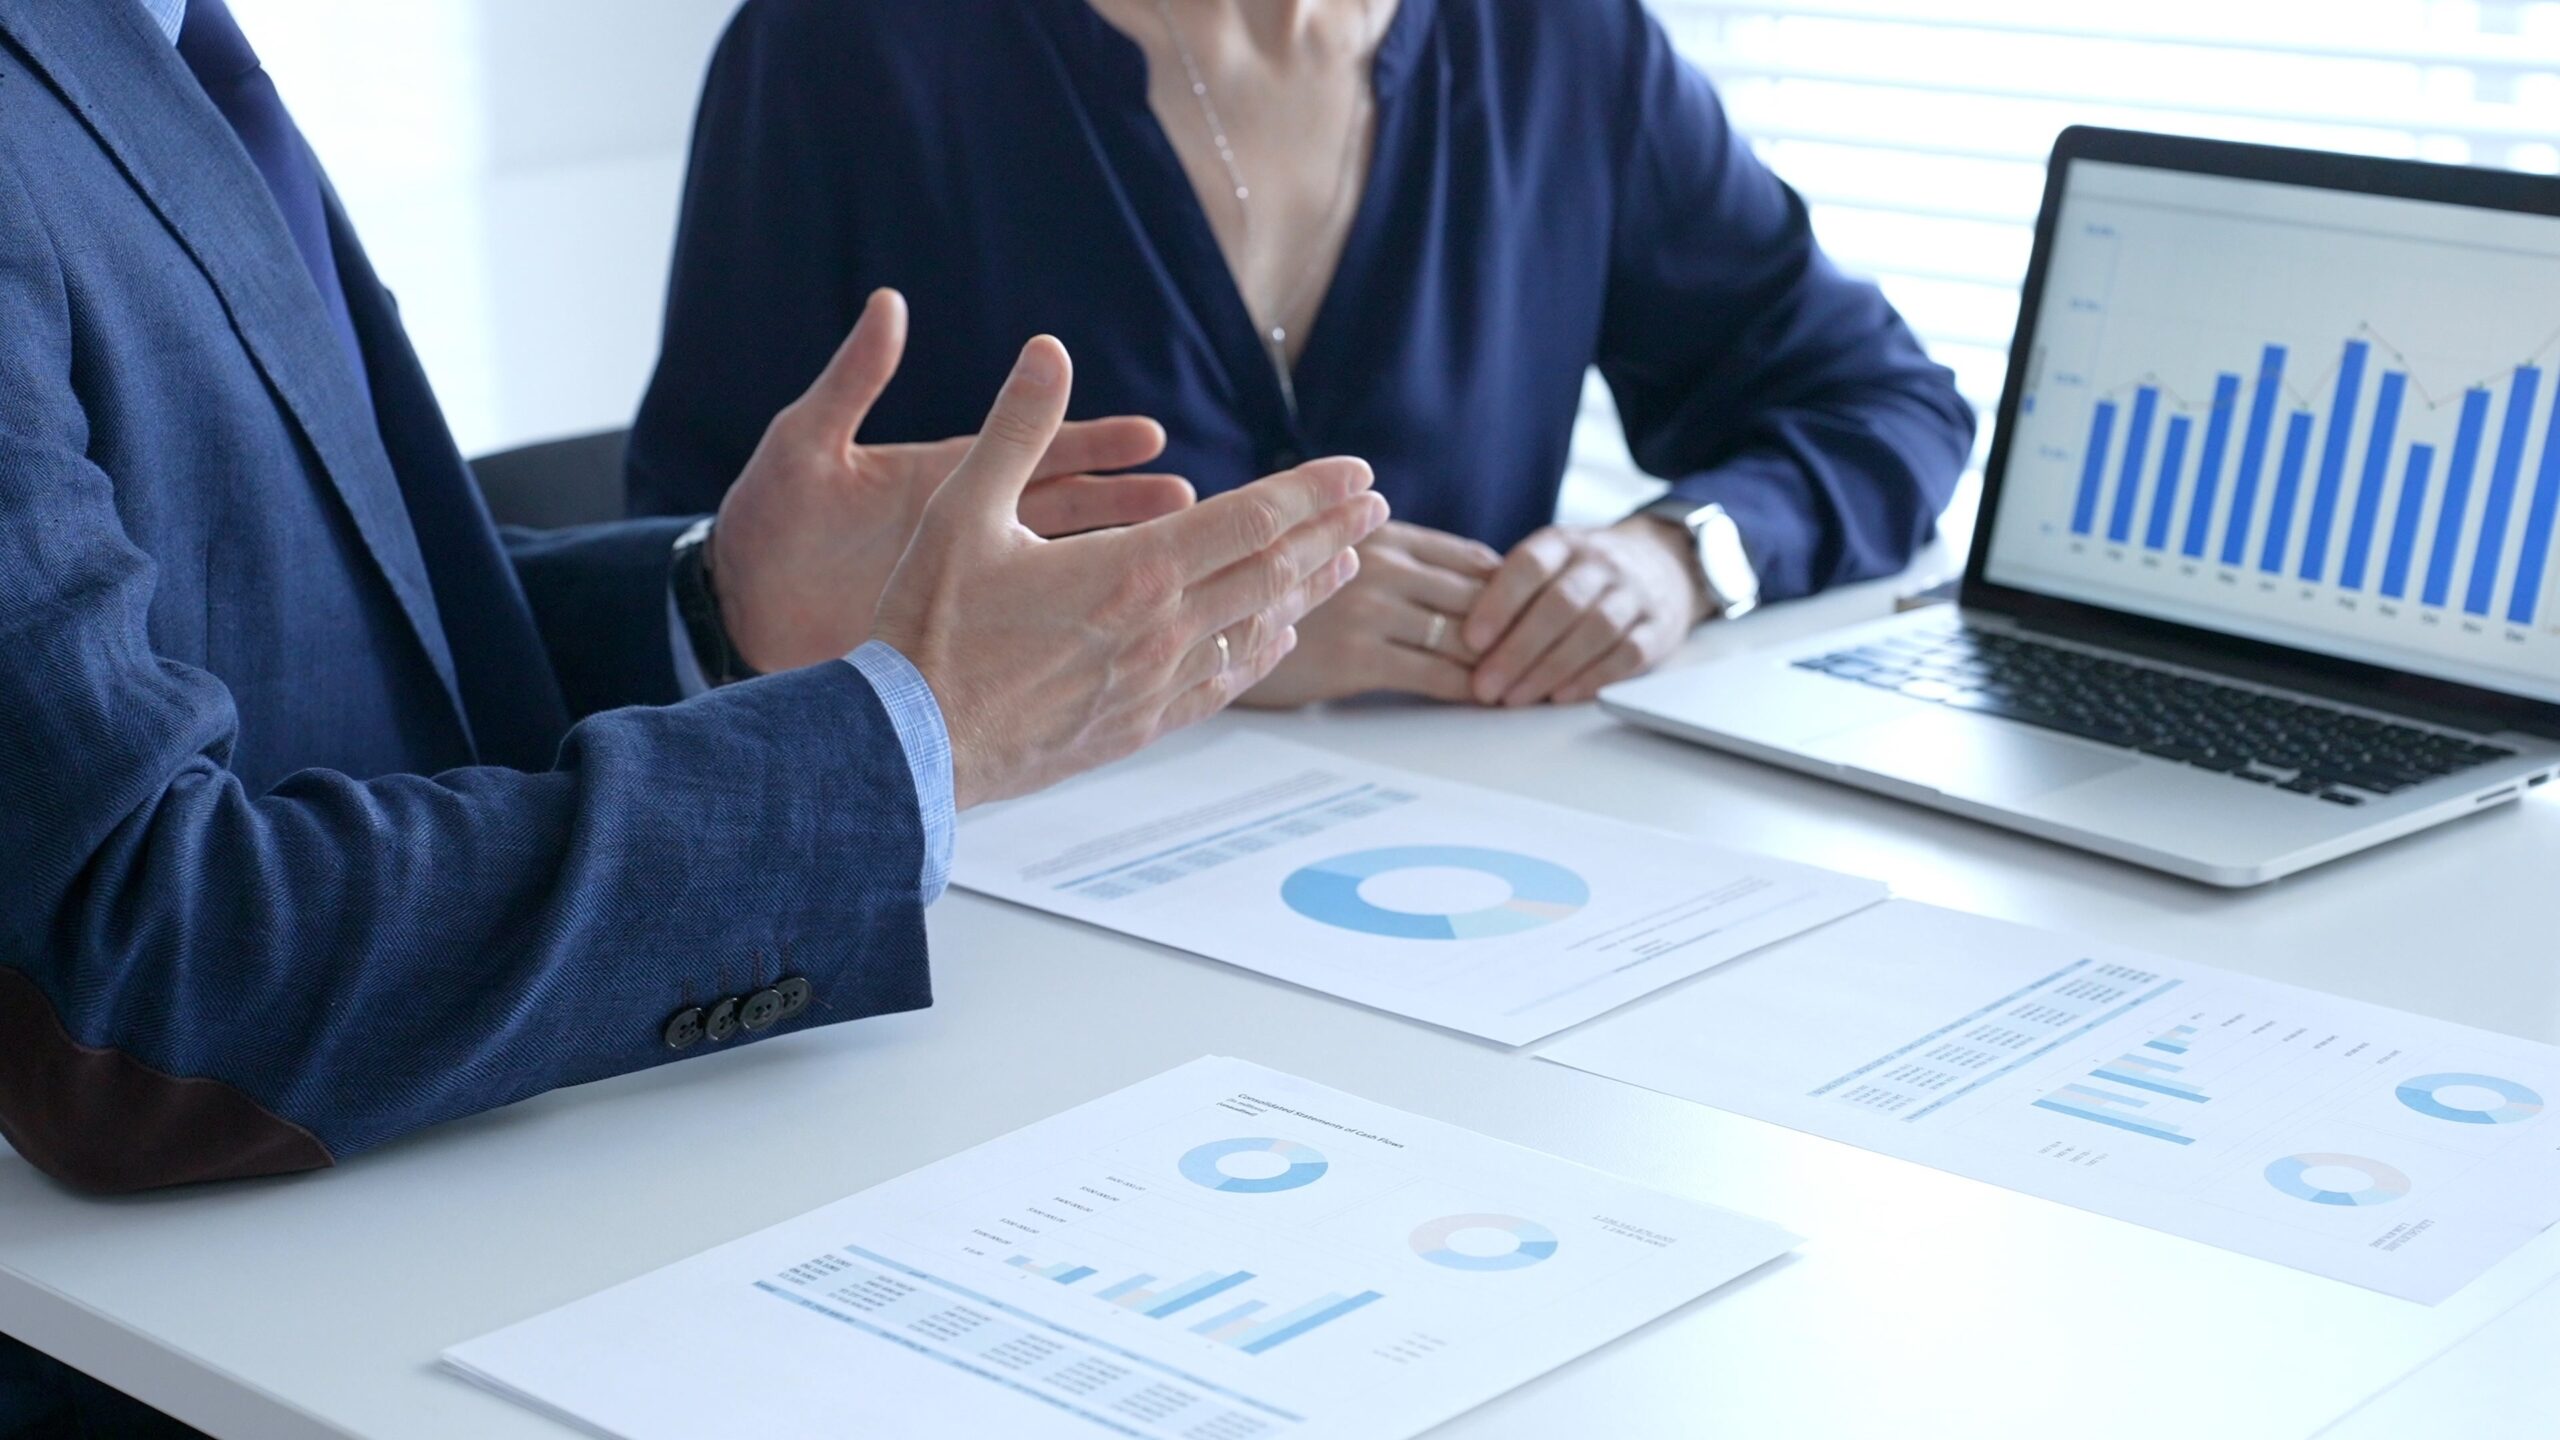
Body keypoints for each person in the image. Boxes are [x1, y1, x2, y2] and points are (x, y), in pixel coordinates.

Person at [0, 0, 1385, 1429]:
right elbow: (137, 982)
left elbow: (319, 645)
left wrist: (722, 609)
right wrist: (900, 738)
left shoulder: (157, 34)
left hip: (438, 1236)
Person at [628, 0, 1975, 712]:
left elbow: (1881, 401)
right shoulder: (843, 51)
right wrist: (1197, 631)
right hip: (995, 931)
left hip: (1471, 903)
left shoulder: (1568, 45)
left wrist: (1682, 557)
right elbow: (699, 594)